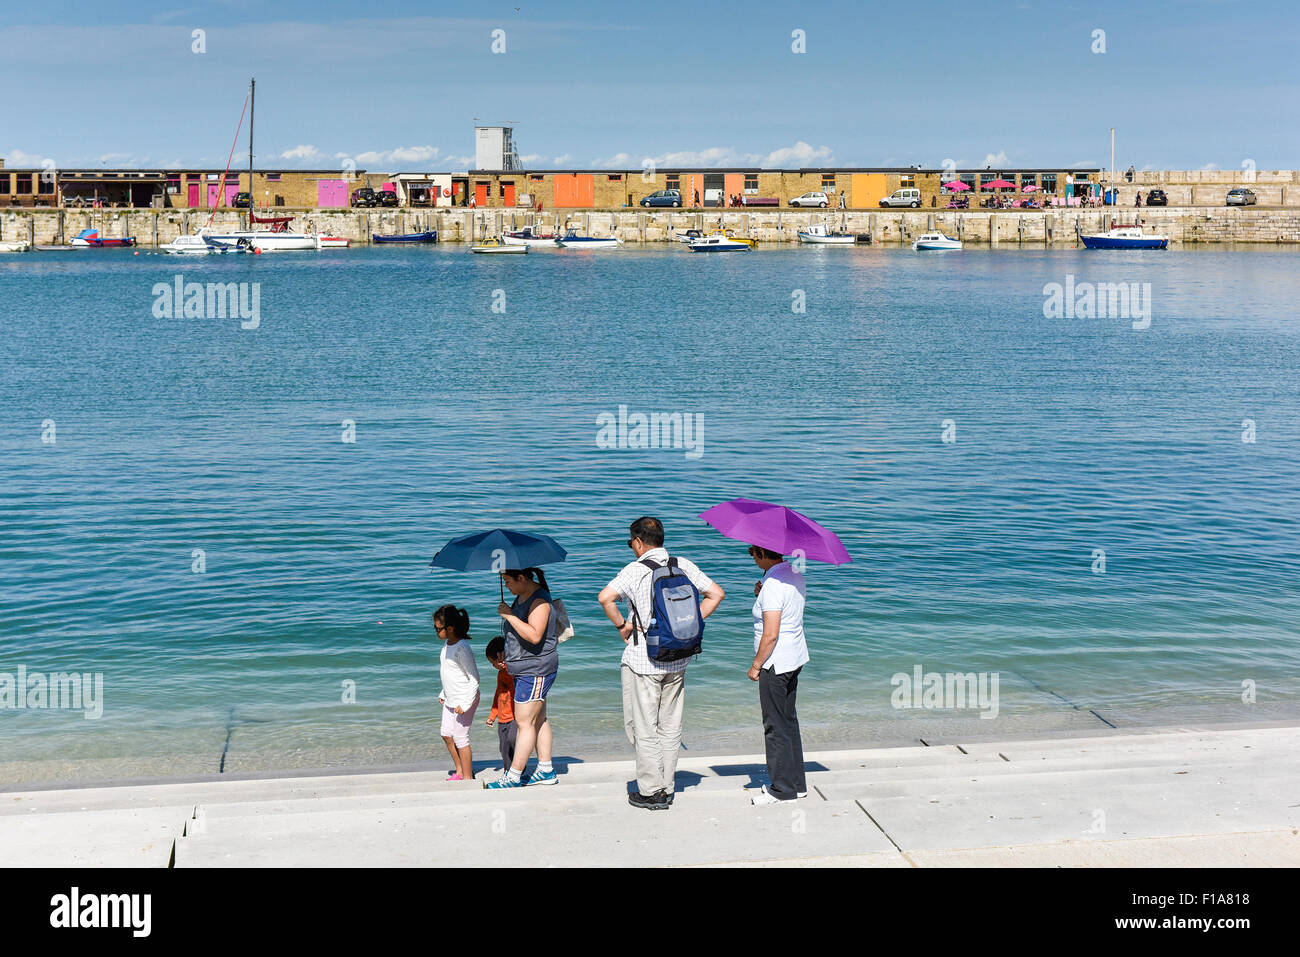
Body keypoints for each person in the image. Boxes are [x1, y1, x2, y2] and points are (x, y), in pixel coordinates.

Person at [598, 516, 725, 810]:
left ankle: (651, 791)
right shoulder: (683, 564)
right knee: (670, 726)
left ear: (639, 542)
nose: (632, 548)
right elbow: (716, 594)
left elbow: (605, 597)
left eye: (632, 543)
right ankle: (666, 786)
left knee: (643, 726)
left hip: (644, 660)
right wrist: (686, 624)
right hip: (678, 659)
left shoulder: (635, 570)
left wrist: (622, 626)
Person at [744, 547, 809, 804]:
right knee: (789, 721)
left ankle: (782, 789)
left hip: (775, 662)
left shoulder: (772, 584)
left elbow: (771, 634)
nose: (751, 556)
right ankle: (796, 783)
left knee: (774, 726)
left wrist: (756, 665)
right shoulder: (794, 572)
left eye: (752, 552)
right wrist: (763, 596)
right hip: (794, 657)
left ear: (762, 552)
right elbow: (788, 607)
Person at [484, 567, 559, 788]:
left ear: (522, 578)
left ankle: (513, 776)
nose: (506, 586)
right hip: (525, 668)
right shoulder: (522, 597)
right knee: (539, 719)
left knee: (525, 723)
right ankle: (546, 770)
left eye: (508, 581)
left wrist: (509, 615)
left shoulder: (539, 600)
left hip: (535, 669)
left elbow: (535, 635)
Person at [434, 605, 479, 781]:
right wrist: (444, 692)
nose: (436, 632)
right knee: (446, 733)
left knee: (461, 738)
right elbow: (449, 672)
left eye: (438, 629)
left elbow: (474, 679)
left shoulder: (462, 648)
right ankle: (460, 770)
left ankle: (468, 777)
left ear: (450, 628)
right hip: (451, 698)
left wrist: (466, 703)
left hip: (465, 699)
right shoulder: (447, 645)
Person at [484, 636, 516, 774]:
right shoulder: (500, 674)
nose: (493, 666)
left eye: (493, 663)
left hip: (514, 716)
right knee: (503, 747)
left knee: (513, 741)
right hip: (502, 718)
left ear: (499, 657)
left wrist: (506, 663)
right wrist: (492, 715)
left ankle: (518, 768)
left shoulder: (512, 670)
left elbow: (514, 675)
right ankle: (507, 771)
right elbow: (498, 694)